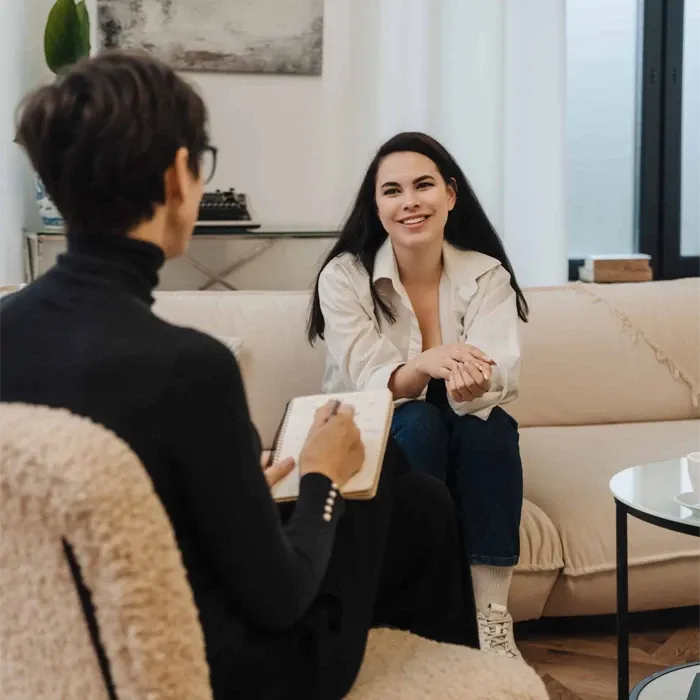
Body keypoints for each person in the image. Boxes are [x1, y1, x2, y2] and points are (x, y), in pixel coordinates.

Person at [1, 53, 479, 699]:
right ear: (178, 175)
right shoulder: (190, 368)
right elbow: (281, 598)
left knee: (423, 506)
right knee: (381, 470)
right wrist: (322, 478)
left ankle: (464, 681)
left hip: (60, 645)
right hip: (227, 667)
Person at [308, 132, 529, 659]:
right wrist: (426, 363)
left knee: (492, 425)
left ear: (450, 195)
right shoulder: (344, 277)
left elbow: (500, 371)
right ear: (377, 205)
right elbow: (369, 378)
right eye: (392, 190)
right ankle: (422, 619)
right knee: (420, 423)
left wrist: (475, 381)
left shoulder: (486, 274)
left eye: (424, 185)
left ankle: (491, 617)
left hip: (459, 427)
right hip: (370, 430)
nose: (410, 202)